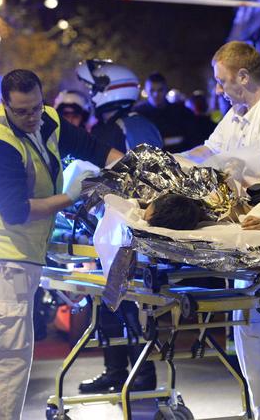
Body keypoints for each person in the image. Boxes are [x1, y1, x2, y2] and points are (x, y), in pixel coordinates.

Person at [0, 69, 123, 420]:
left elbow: (93, 148)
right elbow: (16, 212)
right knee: (8, 359)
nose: (31, 117)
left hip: (20, 255)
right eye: (21, 111)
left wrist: (127, 166)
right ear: (4, 104)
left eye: (36, 107)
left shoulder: (48, 119)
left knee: (4, 354)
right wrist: (68, 197)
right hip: (2, 258)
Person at [183, 41, 260, 420]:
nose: (218, 89)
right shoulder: (239, 113)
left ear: (243, 77)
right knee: (246, 333)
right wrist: (174, 163)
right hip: (250, 235)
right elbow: (210, 150)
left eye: (221, 81)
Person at [74, 59, 161, 394]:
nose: (91, 95)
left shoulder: (126, 127)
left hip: (128, 230)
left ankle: (142, 372)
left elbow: (146, 176)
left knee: (132, 304)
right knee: (111, 303)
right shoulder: (117, 126)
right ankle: (116, 371)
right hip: (113, 229)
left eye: (94, 88)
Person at [78, 59, 163, 152]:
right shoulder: (107, 125)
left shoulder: (136, 127)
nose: (91, 95)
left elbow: (150, 165)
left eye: (94, 90)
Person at [135, 72, 198, 152]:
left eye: (160, 90)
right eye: (152, 90)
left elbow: (193, 138)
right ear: (147, 91)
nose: (156, 94)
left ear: (166, 90)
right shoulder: (138, 114)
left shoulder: (181, 112)